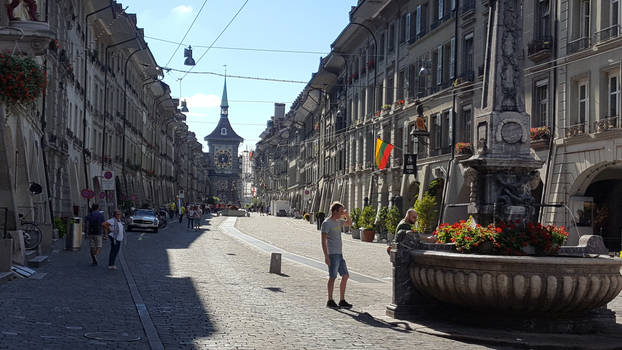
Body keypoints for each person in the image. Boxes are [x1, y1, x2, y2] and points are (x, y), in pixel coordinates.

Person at [321, 201, 353, 309]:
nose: (342, 213)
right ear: (334, 211)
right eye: (340, 211)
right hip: (332, 254)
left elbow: (349, 223)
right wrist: (326, 256)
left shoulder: (339, 222)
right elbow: (323, 241)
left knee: (345, 276)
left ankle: (342, 300)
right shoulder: (326, 223)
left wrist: (346, 214)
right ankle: (330, 300)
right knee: (333, 277)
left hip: (339, 254)